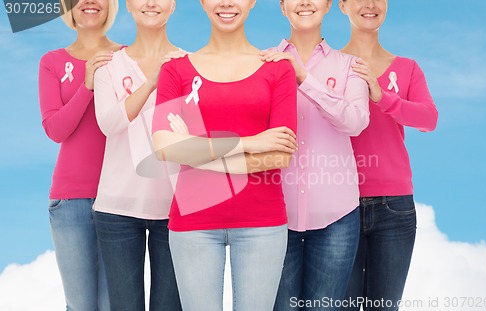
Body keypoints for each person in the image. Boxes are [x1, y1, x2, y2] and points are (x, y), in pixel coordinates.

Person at [150, 0, 299, 309]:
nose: (227, 3)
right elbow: (164, 146)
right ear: (203, 2)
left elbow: (280, 155)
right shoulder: (175, 68)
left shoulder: (278, 68)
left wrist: (194, 152)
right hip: (193, 224)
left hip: (262, 223)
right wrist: (248, 142)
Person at [260, 0, 369, 310]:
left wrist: (303, 78)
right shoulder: (262, 63)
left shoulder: (350, 65)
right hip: (274, 216)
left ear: (328, 6)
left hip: (337, 216)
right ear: (282, 7)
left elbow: (356, 121)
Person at [338, 0, 438, 310]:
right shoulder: (329, 64)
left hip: (395, 209)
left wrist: (383, 97)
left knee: (384, 306)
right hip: (339, 205)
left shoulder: (407, 68)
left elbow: (429, 119)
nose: (369, 5)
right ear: (341, 6)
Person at [92, 0, 183, 310]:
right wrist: (152, 82)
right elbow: (109, 123)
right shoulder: (108, 66)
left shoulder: (191, 64)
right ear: (129, 5)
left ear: (173, 6)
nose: (151, 3)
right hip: (117, 209)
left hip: (176, 210)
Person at [38, 0, 120, 309]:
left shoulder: (126, 57)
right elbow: (56, 129)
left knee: (115, 304)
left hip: (119, 200)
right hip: (70, 202)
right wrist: (86, 86)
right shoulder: (52, 62)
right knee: (81, 305)